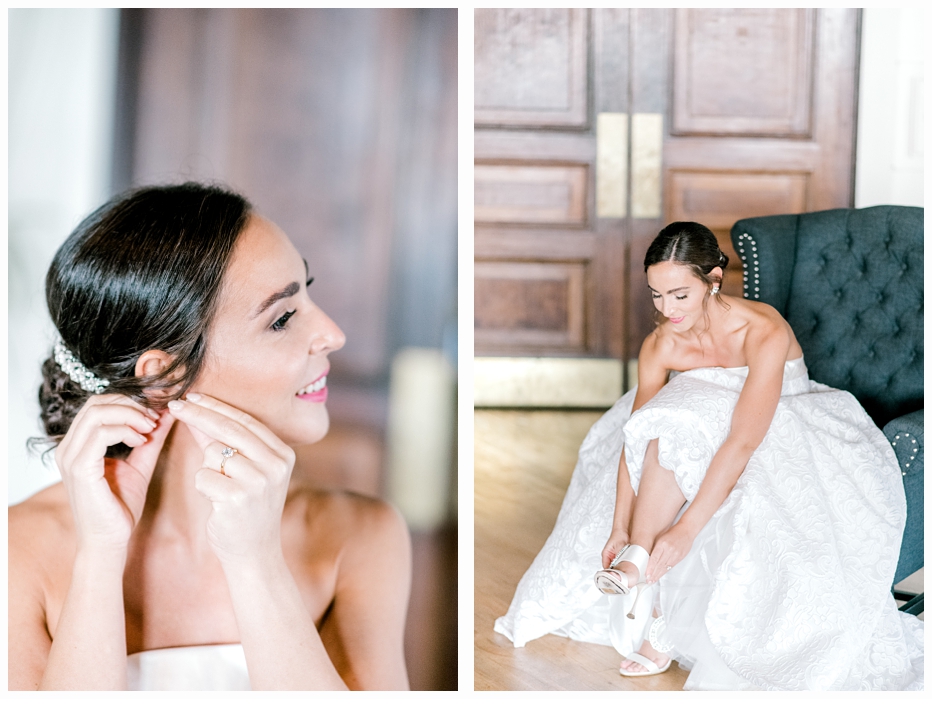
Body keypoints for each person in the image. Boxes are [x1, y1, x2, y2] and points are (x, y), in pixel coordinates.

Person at [8, 183, 411, 690]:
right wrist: (100, 557)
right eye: (283, 318)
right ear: (164, 376)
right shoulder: (16, 551)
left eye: (308, 293)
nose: (332, 333)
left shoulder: (362, 536)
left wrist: (256, 562)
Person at [494, 222, 924, 690]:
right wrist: (618, 523)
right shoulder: (661, 344)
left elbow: (742, 439)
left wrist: (685, 529)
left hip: (782, 419)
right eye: (656, 295)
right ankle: (645, 580)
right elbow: (634, 439)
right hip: (687, 428)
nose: (667, 309)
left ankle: (646, 581)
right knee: (667, 421)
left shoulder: (762, 329)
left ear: (713, 279)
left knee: (683, 412)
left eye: (679, 295)